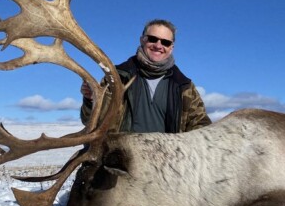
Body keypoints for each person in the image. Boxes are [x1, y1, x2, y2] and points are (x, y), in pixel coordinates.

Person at [80, 19, 211, 133]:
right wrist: (91, 100)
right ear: (142, 40)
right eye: (152, 39)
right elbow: (91, 121)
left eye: (165, 42)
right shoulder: (116, 78)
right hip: (122, 153)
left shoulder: (185, 87)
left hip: (167, 154)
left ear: (171, 47)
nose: (158, 45)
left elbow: (200, 126)